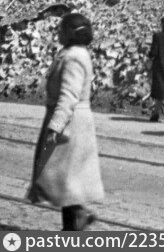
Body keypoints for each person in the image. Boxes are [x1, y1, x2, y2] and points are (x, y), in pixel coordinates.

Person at [28, 12, 104, 231]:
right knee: (67, 179)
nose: (58, 33)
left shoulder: (74, 58)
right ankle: (74, 222)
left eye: (61, 29)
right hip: (71, 120)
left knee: (64, 177)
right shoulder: (73, 53)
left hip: (70, 122)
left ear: (70, 33)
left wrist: (56, 125)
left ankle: (76, 220)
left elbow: (69, 95)